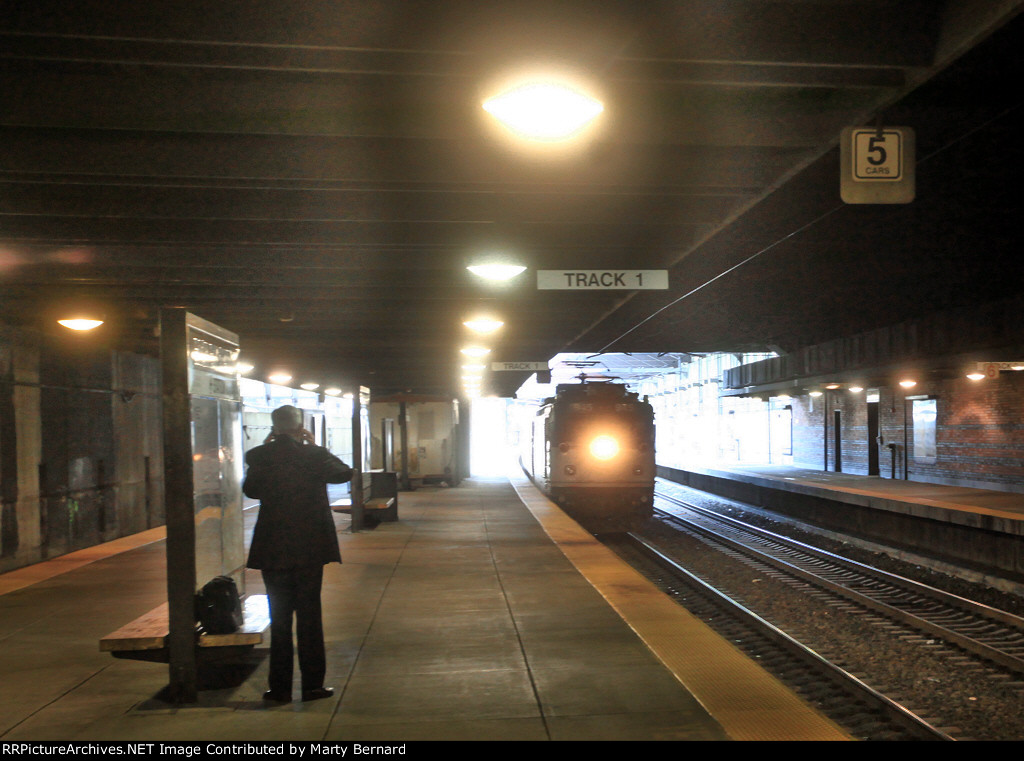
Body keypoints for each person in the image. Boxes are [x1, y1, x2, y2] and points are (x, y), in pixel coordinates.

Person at [243, 405, 353, 703]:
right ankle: (312, 687)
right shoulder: (314, 456)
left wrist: (271, 449)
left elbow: (251, 491)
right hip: (309, 547)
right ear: (300, 426)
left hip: (272, 547)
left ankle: (279, 690)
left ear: (274, 427)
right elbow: (343, 473)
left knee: (279, 618)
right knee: (309, 617)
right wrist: (314, 446)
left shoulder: (258, 456)